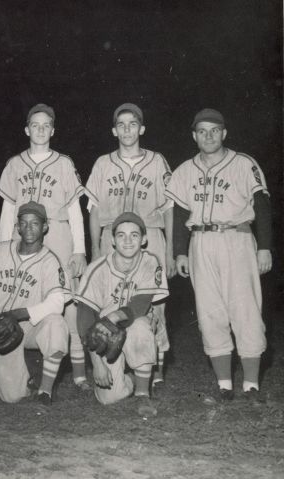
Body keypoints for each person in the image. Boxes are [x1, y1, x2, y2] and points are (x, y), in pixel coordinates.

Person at [166, 108, 272, 404]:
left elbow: (261, 206)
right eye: (202, 131)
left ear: (224, 133)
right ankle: (224, 385)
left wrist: (264, 246)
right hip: (200, 241)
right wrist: (179, 252)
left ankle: (251, 386)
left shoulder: (243, 164)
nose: (209, 136)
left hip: (236, 238)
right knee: (210, 312)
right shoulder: (185, 170)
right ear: (194, 136)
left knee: (245, 310)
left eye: (214, 130)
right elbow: (179, 213)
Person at [0, 104, 89, 389]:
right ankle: (19, 373)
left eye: (45, 125)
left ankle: (79, 373)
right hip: (21, 237)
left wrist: (79, 250)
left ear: (52, 130)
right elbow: (8, 209)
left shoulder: (63, 163)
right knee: (22, 298)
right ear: (27, 129)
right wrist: (3, 249)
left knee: (68, 304)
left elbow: (75, 209)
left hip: (58, 234)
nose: (40, 130)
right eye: (34, 125)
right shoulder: (14, 163)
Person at [86, 103, 175, 385]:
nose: (127, 129)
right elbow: (94, 209)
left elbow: (169, 208)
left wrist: (170, 250)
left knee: (155, 305)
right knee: (111, 301)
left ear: (142, 129)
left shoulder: (157, 160)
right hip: (112, 237)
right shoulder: (103, 163)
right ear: (114, 131)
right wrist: (96, 249)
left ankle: (154, 366)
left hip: (149, 235)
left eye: (132, 123)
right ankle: (119, 358)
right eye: (121, 124)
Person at [75, 213, 168, 417]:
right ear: (113, 240)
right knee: (110, 398)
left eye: (134, 235)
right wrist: (97, 364)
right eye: (121, 235)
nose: (127, 241)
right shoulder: (96, 269)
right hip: (104, 336)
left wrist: (113, 317)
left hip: (134, 323)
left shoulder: (150, 261)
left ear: (144, 239)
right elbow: (84, 321)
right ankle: (130, 379)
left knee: (142, 325)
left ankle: (143, 393)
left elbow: (141, 304)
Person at [0, 202, 70, 405]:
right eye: (24, 223)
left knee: (56, 323)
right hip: (0, 327)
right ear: (17, 226)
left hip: (31, 326)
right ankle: (26, 381)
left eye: (35, 223)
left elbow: (57, 303)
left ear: (45, 227)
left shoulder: (51, 261)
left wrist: (18, 314)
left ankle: (45, 390)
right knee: (11, 396)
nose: (29, 228)